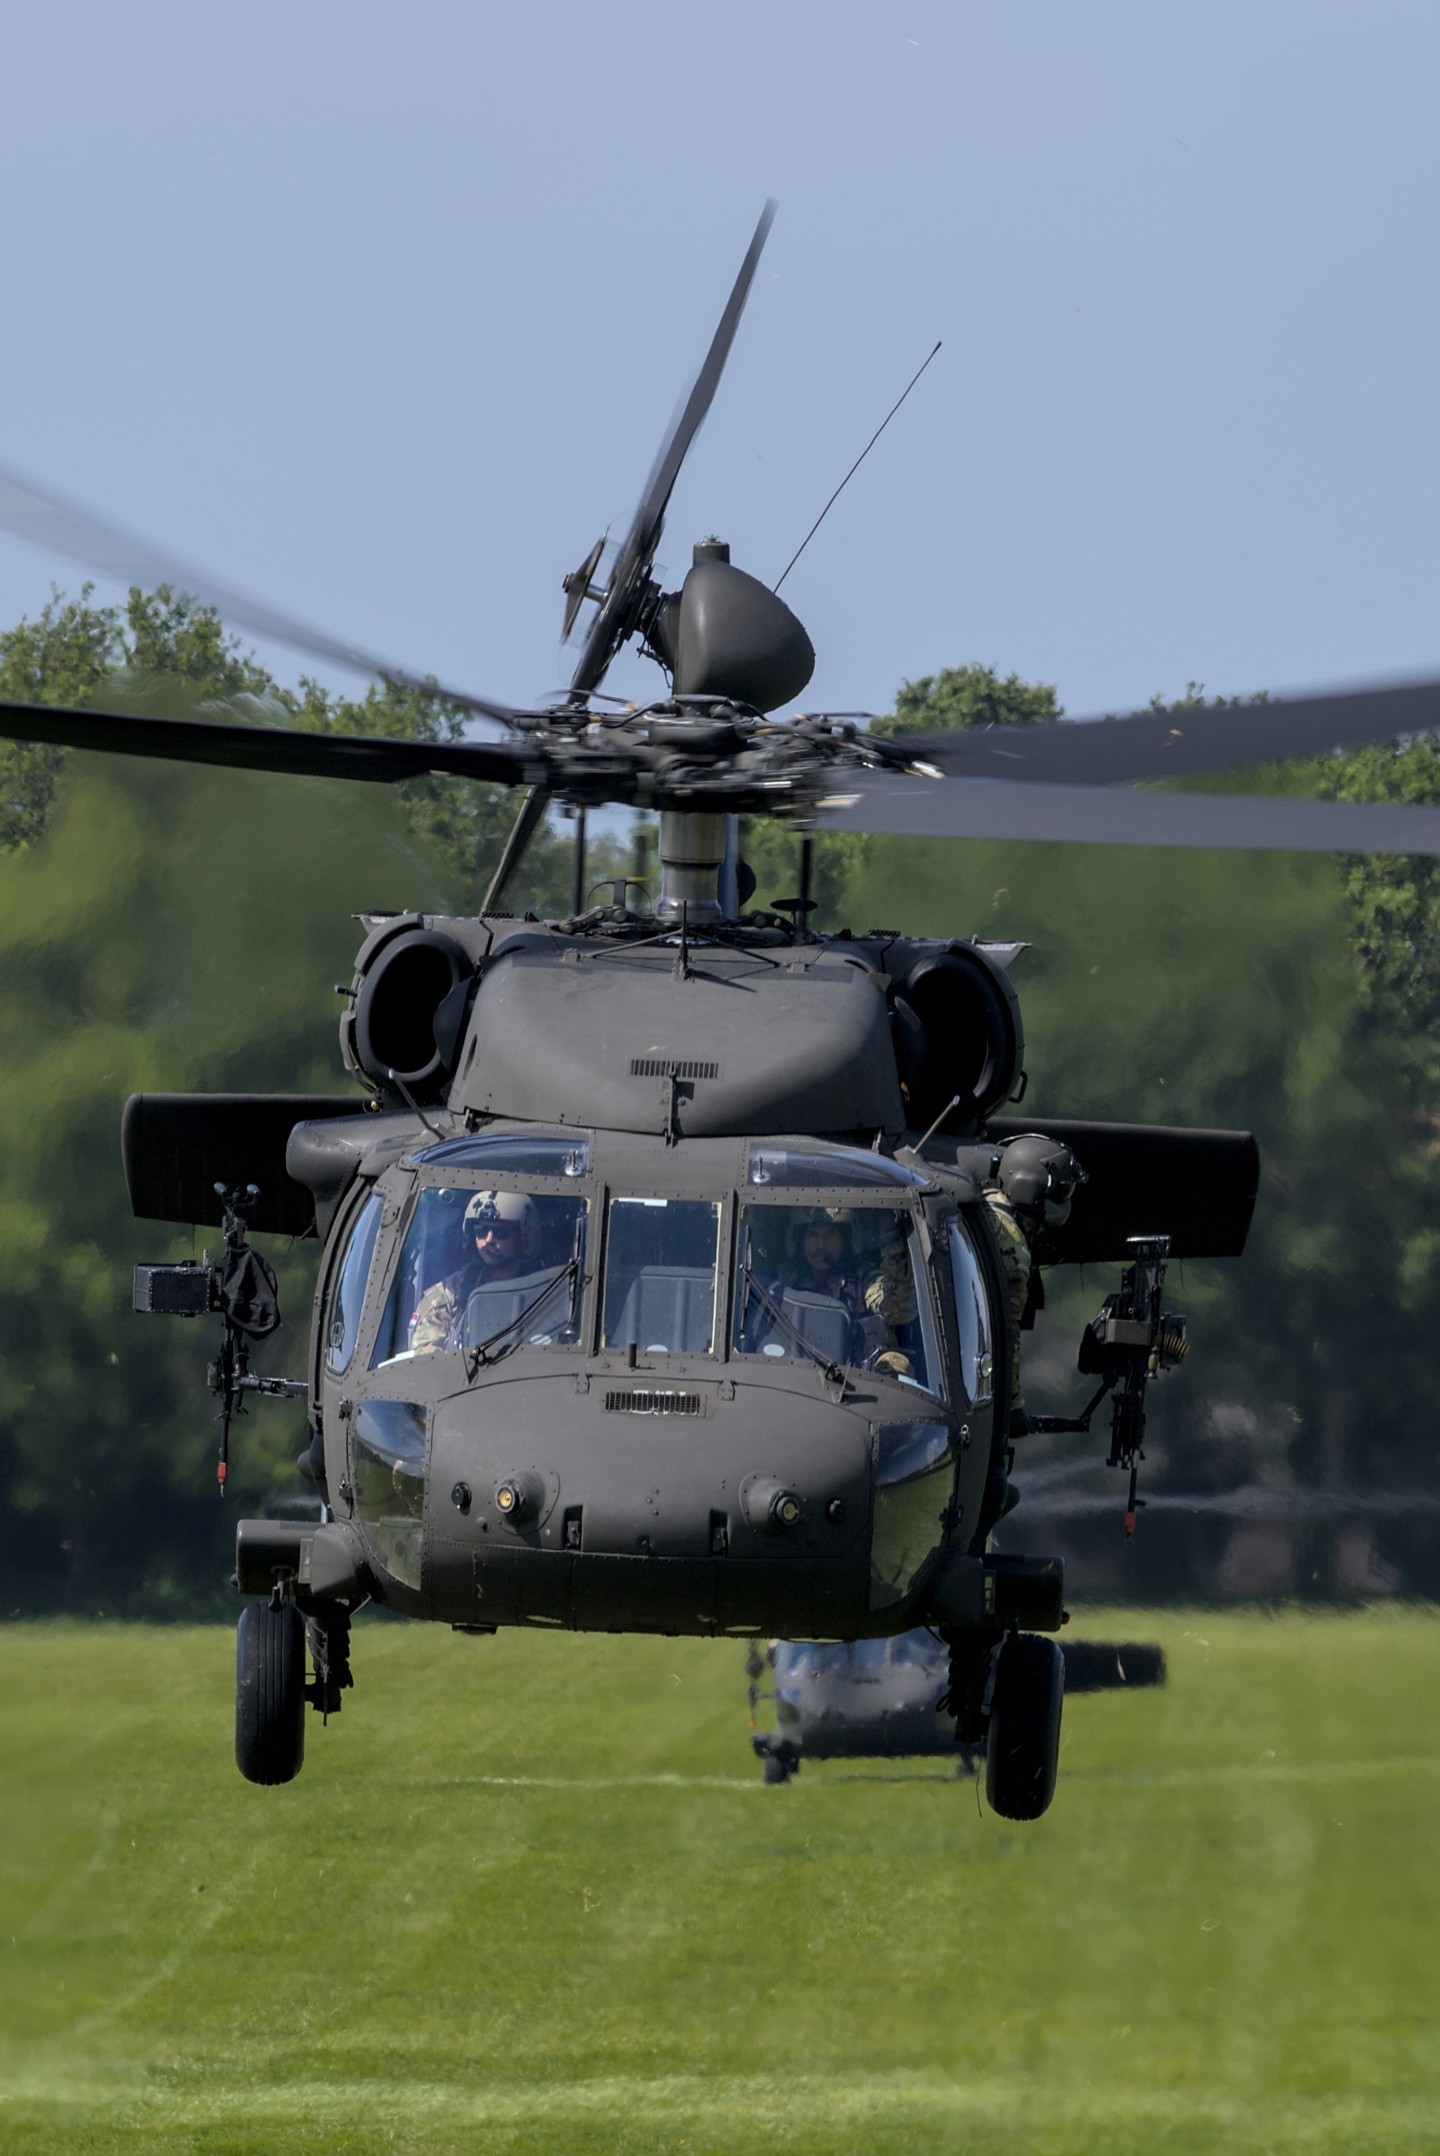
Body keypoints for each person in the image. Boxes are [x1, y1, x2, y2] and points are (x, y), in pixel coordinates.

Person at [983, 1134, 1085, 1429]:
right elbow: (1007, 1335)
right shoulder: (1012, 1247)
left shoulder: (988, 1202)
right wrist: (1013, 1408)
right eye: (1060, 1191)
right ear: (1029, 1186)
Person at [409, 1189, 537, 1355]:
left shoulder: (547, 1287)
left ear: (523, 1236)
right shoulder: (451, 1293)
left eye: (501, 1232)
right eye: (481, 1231)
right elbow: (424, 1353)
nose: (489, 1240)